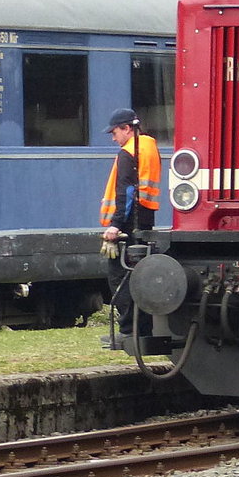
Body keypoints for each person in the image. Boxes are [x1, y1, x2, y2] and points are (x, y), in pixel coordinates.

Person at [99, 108, 161, 337]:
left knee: (120, 277)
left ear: (127, 128)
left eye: (114, 132)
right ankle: (143, 328)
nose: (114, 138)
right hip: (144, 219)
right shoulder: (149, 148)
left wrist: (115, 224)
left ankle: (128, 330)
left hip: (127, 224)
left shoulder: (128, 153)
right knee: (140, 274)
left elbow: (125, 191)